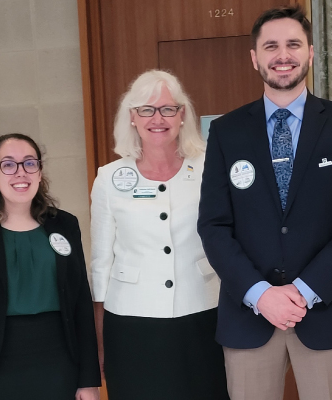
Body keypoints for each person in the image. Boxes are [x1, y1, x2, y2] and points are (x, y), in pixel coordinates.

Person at [197, 5, 332, 400]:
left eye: (293, 44)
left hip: (328, 312)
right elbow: (214, 226)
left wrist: (304, 289)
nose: (283, 55)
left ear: (311, 53)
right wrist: (260, 293)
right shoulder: (226, 132)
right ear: (255, 57)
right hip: (249, 316)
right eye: (271, 46)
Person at [90, 70, 229, 400]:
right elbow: (100, 264)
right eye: (146, 109)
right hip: (132, 324)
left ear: (182, 115)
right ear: (132, 118)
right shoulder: (109, 178)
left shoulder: (211, 166)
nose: (158, 118)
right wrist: (98, 341)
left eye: (168, 108)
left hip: (204, 315)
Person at [0, 133, 101, 400]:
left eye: (29, 163)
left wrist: (88, 380)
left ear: (39, 171)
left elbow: (81, 303)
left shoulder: (64, 224)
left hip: (58, 361)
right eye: (8, 164)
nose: (20, 173)